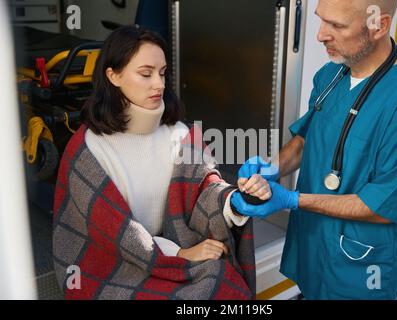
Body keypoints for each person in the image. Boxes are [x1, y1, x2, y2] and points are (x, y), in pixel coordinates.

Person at [231, 0, 397, 300]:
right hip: (313, 243)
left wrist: (291, 199)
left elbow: (383, 206)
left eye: (336, 25)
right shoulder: (331, 75)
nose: (320, 35)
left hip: (361, 264)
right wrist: (273, 167)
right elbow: (307, 139)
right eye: (322, 20)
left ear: (379, 26)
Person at [52, 25, 263, 300]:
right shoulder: (88, 149)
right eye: (146, 73)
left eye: (162, 73)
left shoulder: (181, 134)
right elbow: (113, 236)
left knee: (222, 284)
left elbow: (206, 188)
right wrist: (179, 254)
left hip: (171, 247)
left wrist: (234, 200)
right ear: (113, 75)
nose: (159, 84)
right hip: (112, 264)